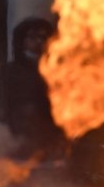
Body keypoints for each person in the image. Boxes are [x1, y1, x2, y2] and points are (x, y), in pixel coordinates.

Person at [5, 17, 64, 158]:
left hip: (50, 141)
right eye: (31, 37)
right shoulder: (11, 71)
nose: (38, 42)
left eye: (43, 37)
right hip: (18, 140)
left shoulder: (58, 73)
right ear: (21, 41)